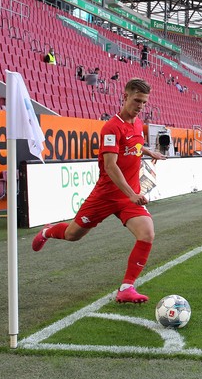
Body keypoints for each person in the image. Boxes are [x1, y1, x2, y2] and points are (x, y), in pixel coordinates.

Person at [31, 78, 167, 303]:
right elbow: (110, 165)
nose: (140, 106)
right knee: (72, 235)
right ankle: (48, 231)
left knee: (147, 233)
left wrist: (148, 152)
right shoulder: (111, 127)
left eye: (144, 102)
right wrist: (132, 194)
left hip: (127, 197)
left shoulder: (137, 124)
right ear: (125, 97)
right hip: (106, 195)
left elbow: (133, 147)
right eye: (136, 100)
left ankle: (126, 288)